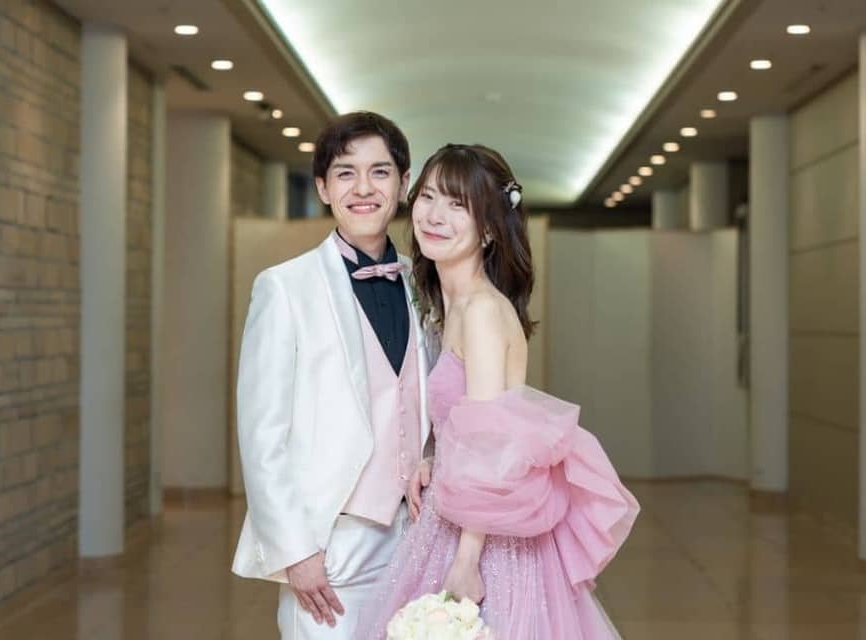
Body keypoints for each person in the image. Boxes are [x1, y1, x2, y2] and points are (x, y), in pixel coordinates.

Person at [356, 144, 640, 640]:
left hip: (483, 539)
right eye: (428, 196)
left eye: (457, 205)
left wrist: (467, 563)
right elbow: (462, 421)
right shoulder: (451, 306)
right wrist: (433, 454)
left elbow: (489, 447)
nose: (434, 215)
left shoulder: (483, 311)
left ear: (488, 229)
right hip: (452, 515)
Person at [231, 112, 433, 639]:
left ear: (403, 184)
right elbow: (262, 435)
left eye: (380, 172)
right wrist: (295, 551)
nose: (363, 188)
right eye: (346, 173)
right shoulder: (285, 287)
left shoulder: (425, 285)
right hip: (329, 543)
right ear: (323, 187)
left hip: (417, 539)